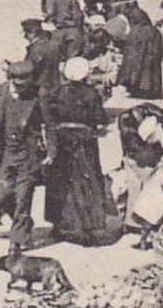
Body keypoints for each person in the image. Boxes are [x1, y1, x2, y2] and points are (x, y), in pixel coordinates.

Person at [44, 58, 113, 246]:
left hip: (62, 140)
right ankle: (89, 227)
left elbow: (49, 117)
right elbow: (101, 118)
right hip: (85, 141)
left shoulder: (57, 92)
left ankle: (60, 225)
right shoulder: (92, 93)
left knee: (61, 181)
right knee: (88, 181)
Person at [0, 59, 47, 248]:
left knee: (23, 197)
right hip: (5, 154)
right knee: (1, 193)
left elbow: (48, 124)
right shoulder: (0, 91)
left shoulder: (39, 94)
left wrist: (50, 150)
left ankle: (18, 240)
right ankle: (23, 223)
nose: (21, 88)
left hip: (27, 155)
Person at [116, 0, 163, 99]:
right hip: (150, 60)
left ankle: (135, 87)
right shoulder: (154, 31)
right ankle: (149, 89)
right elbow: (159, 50)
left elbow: (129, 52)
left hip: (136, 62)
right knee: (149, 72)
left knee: (137, 71)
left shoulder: (134, 32)